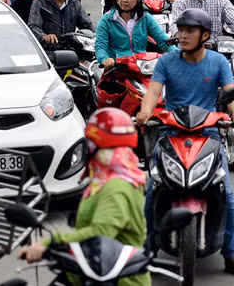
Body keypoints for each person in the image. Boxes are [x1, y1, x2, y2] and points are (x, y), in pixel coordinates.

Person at [136, 8, 234, 274]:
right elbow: (153, 92)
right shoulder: (167, 61)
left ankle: (231, 252)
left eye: (190, 30)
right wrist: (145, 113)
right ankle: (147, 247)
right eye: (180, 30)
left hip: (209, 135)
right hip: (171, 133)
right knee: (153, 191)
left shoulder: (218, 62)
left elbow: (229, 95)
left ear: (204, 35)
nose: (183, 35)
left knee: (228, 194)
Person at [18, 108, 151, 286]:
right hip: (95, 272)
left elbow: (100, 234)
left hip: (117, 279)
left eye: (90, 141)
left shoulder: (116, 187)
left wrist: (50, 243)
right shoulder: (111, 179)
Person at [95, 0, 176, 68]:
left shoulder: (146, 18)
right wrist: (105, 59)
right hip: (115, 69)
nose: (124, 0)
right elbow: (100, 46)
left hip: (141, 67)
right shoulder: (106, 20)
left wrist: (180, 55)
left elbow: (163, 41)